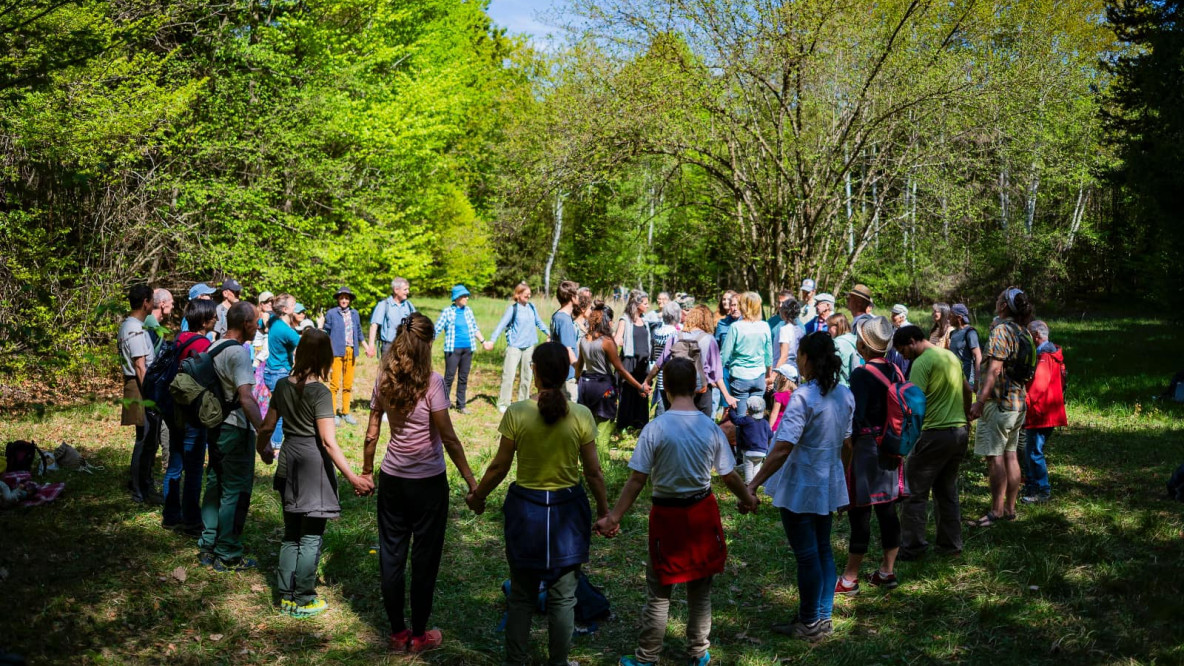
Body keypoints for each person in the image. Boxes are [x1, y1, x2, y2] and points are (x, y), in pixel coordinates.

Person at [595, 358, 759, 666]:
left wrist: (614, 517)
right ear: (698, 388)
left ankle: (647, 657)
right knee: (700, 590)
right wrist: (748, 499)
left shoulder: (655, 428)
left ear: (665, 388)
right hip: (701, 515)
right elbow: (729, 475)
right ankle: (698, 652)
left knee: (660, 591)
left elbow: (636, 480)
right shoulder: (710, 428)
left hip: (667, 517)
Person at [466, 342, 609, 666]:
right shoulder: (582, 415)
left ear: (535, 371)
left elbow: (499, 467)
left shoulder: (517, 412)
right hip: (568, 513)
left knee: (521, 596)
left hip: (526, 511)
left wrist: (478, 496)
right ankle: (558, 662)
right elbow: (593, 472)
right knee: (563, 598)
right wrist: (604, 512)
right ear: (566, 373)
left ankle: (514, 661)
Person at [362, 312, 479, 653]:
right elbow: (450, 437)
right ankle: (419, 635)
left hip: (393, 479)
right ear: (428, 343)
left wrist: (367, 471)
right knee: (425, 558)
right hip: (428, 483)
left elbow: (372, 433)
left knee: (391, 554)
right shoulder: (432, 381)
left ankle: (398, 634)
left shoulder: (383, 377)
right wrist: (472, 482)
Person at [256, 328, 373, 617]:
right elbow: (328, 442)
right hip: (312, 466)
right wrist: (353, 477)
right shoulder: (320, 392)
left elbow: (267, 426)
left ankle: (285, 595)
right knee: (311, 536)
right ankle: (304, 598)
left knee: (291, 533)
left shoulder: (283, 385)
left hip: (288, 462)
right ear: (324, 357)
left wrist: (264, 451)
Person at [747, 332, 852, 641]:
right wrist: (841, 479)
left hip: (802, 484)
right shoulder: (845, 394)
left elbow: (782, 448)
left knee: (808, 554)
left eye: (799, 355)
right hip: (827, 481)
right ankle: (822, 617)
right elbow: (848, 445)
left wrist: (752, 484)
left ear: (806, 358)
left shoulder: (803, 397)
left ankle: (809, 622)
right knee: (822, 549)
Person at [836, 316, 907, 595]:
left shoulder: (861, 375)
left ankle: (850, 579)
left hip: (866, 450)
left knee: (860, 513)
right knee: (888, 510)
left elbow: (854, 418)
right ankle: (887, 572)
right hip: (892, 447)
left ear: (863, 344)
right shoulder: (896, 371)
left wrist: (846, 457)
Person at [892, 324, 974, 559]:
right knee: (947, 491)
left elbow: (913, 404)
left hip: (933, 434)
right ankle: (950, 546)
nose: (903, 356)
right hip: (958, 432)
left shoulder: (922, 362)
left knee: (914, 492)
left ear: (911, 341)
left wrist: (908, 439)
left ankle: (912, 547)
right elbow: (968, 390)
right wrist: (966, 418)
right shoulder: (949, 356)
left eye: (903, 350)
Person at [199, 301, 267, 571]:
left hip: (214, 424)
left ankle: (208, 543)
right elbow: (247, 398)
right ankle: (227, 552)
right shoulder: (238, 353)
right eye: (256, 321)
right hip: (235, 427)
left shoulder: (214, 345)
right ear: (245, 323)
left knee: (215, 481)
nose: (258, 325)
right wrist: (263, 432)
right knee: (234, 489)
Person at [967, 287, 1035, 527]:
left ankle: (995, 512)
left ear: (1004, 306)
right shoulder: (1023, 331)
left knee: (994, 457)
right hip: (1017, 403)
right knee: (1011, 455)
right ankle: (1010, 509)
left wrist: (980, 401)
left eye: (998, 299)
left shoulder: (1001, 330)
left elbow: (995, 369)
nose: (995, 301)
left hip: (999, 404)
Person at [161, 299, 217, 535]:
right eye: (213, 316)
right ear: (204, 321)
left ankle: (170, 516)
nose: (216, 319)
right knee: (193, 469)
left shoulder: (180, 338)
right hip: (194, 412)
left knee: (175, 464)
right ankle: (191, 520)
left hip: (175, 408)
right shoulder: (204, 344)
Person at [645, 304, 736, 418]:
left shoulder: (676, 336)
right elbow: (717, 374)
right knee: (702, 427)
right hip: (701, 390)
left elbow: (659, 363)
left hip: (677, 390)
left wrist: (647, 381)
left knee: (678, 423)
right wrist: (727, 396)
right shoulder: (709, 340)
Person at [578, 302, 650, 447]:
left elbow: (579, 365)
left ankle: (584, 456)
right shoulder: (606, 342)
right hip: (603, 387)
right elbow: (621, 370)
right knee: (604, 425)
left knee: (587, 424)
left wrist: (576, 380)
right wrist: (639, 386)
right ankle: (600, 460)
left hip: (585, 385)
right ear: (607, 321)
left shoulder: (584, 339)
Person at [119, 284, 161, 504]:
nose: (153, 303)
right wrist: (151, 397)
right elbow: (140, 366)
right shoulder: (134, 328)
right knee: (144, 440)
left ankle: (144, 486)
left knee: (148, 440)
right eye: (152, 299)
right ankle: (139, 491)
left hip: (140, 384)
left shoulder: (135, 325)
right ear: (145, 302)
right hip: (140, 386)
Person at [1021, 320, 1067, 504]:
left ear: (1036, 336)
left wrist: (1024, 403)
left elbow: (1038, 387)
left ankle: (1042, 490)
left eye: (1029, 336)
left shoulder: (1044, 356)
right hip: (1049, 410)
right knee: (1030, 450)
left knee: (1034, 452)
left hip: (1041, 413)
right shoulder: (1054, 355)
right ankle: (1031, 485)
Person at [486, 282, 550, 414]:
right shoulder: (513, 309)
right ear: (518, 294)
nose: (528, 296)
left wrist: (550, 333)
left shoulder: (532, 307)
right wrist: (492, 340)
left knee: (527, 376)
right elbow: (501, 325)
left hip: (529, 347)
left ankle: (523, 402)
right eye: (525, 294)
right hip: (514, 347)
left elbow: (539, 322)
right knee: (508, 376)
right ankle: (504, 403)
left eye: (529, 294)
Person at [434, 284, 487, 414]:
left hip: (468, 349)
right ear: (457, 298)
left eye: (467, 296)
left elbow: (474, 328)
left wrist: (483, 341)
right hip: (453, 349)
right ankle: (442, 404)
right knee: (449, 377)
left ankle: (461, 405)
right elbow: (437, 328)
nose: (467, 298)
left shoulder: (469, 311)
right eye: (464, 296)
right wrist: (426, 343)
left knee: (463, 377)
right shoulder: (448, 311)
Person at [323, 286, 370, 426]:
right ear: (338, 299)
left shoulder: (355, 313)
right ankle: (332, 414)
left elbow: (360, 332)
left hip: (351, 351)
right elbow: (326, 332)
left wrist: (367, 347)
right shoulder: (331, 313)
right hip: (336, 352)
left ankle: (346, 412)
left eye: (347, 298)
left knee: (348, 384)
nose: (344, 300)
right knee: (334, 384)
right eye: (342, 298)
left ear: (350, 300)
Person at [722, 292, 772, 416]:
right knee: (757, 416)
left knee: (742, 418)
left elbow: (724, 355)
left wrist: (717, 375)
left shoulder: (736, 327)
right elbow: (769, 355)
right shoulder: (765, 326)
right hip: (759, 376)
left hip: (740, 377)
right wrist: (768, 375)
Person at [264, 294, 301, 449]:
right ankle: (276, 445)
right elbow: (307, 345)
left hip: (270, 370)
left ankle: (271, 439)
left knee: (276, 407)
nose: (296, 306)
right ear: (285, 309)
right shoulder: (287, 332)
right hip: (279, 373)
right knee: (281, 411)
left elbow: (262, 321)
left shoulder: (274, 321)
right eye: (293, 304)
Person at [613, 289, 653, 431]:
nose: (648, 306)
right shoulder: (625, 320)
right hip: (629, 362)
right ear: (637, 304)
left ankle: (640, 424)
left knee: (642, 394)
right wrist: (620, 342)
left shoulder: (646, 321)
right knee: (628, 393)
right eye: (645, 303)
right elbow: (616, 339)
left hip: (643, 362)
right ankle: (624, 425)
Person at [647, 301, 681, 417]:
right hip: (672, 377)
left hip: (660, 376)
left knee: (661, 410)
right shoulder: (675, 333)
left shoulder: (657, 332)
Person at [729, 396, 773, 483]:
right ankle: (756, 483)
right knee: (757, 466)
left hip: (749, 450)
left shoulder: (746, 420)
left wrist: (732, 410)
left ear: (748, 408)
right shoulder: (765, 422)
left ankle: (749, 483)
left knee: (748, 466)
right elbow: (770, 435)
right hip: (762, 451)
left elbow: (735, 420)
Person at [369, 277, 417, 357]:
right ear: (396, 290)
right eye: (405, 289)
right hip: (389, 347)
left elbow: (416, 324)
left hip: (406, 346)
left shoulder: (409, 305)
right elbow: (374, 325)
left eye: (408, 289)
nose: (408, 292)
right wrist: (371, 346)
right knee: (389, 369)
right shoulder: (384, 305)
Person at [550, 280, 581, 401]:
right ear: (572, 297)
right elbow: (567, 349)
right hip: (567, 376)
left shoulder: (557, 315)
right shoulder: (564, 320)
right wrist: (578, 369)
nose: (579, 297)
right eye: (577, 294)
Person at [949, 304, 982, 390]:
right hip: (954, 379)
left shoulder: (970, 333)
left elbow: (978, 356)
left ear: (959, 317)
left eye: (951, 315)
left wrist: (977, 380)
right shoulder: (953, 333)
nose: (948, 318)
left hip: (967, 381)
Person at [827, 313, 862, 387]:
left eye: (828, 327)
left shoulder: (835, 344)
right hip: (855, 385)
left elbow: (832, 370)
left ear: (834, 328)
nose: (828, 331)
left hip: (841, 386)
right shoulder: (856, 339)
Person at [772, 297, 804, 370]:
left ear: (784, 312)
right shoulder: (800, 330)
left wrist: (774, 374)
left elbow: (784, 356)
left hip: (783, 370)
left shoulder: (784, 330)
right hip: (795, 368)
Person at [145, 288, 174, 354]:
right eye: (171, 303)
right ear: (163, 304)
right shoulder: (152, 326)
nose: (173, 306)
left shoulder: (147, 320)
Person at [252, 292, 275, 365]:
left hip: (268, 355)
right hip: (255, 350)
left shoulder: (275, 317)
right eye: (267, 302)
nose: (270, 304)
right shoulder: (253, 316)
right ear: (261, 304)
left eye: (272, 302)